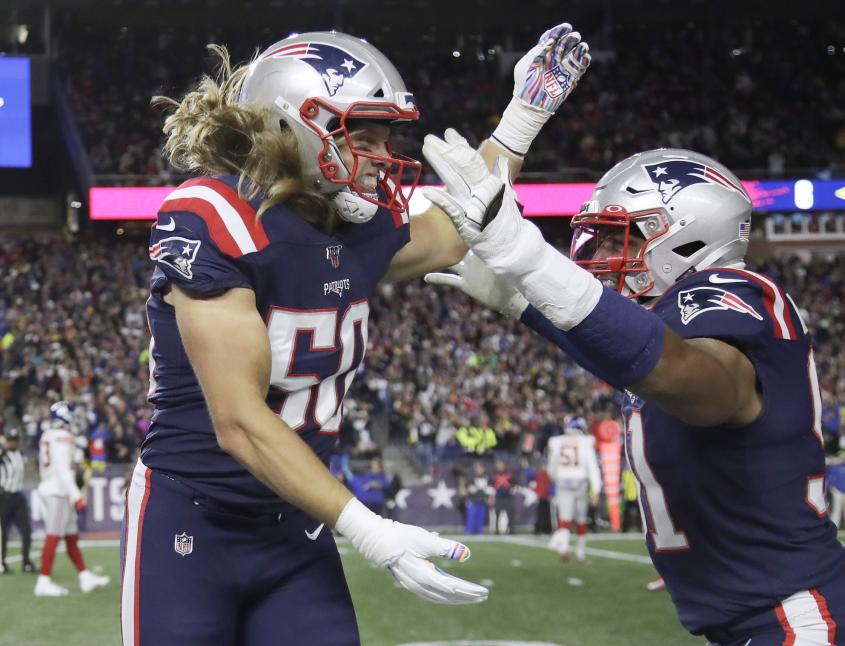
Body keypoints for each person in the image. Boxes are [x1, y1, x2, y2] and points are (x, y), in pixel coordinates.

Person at [125, 25, 591, 646]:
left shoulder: (356, 224)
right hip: (189, 520)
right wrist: (368, 529)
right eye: (361, 132)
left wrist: (523, 117)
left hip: (297, 523)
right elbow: (237, 420)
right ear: (292, 126)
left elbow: (463, 226)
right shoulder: (216, 217)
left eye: (386, 134)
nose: (381, 152)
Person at [424, 144, 845, 644]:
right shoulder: (662, 330)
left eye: (617, 239)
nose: (600, 259)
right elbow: (635, 360)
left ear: (686, 238)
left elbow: (693, 384)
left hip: (798, 623)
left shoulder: (729, 290)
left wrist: (532, 261)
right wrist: (525, 303)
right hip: (763, 624)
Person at [35, 402, 109, 597]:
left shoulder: (48, 434)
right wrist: (76, 495)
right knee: (53, 535)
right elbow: (62, 470)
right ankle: (43, 581)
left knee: (71, 536)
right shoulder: (61, 436)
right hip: (57, 491)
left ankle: (85, 577)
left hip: (54, 488)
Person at [546, 416, 601, 562]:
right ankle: (580, 552)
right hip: (580, 483)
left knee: (564, 519)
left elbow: (552, 467)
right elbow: (592, 467)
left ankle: (564, 549)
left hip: (563, 482)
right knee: (581, 519)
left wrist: (555, 478)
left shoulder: (557, 442)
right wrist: (596, 489)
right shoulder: (586, 442)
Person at [0, 428, 36, 574]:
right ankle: (2, 564)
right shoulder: (2, 456)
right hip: (4, 497)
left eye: (15, 440)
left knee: (26, 531)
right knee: (3, 533)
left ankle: (26, 563)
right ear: (6, 441)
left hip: (18, 497)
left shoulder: (20, 455)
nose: (13, 443)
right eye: (11, 440)